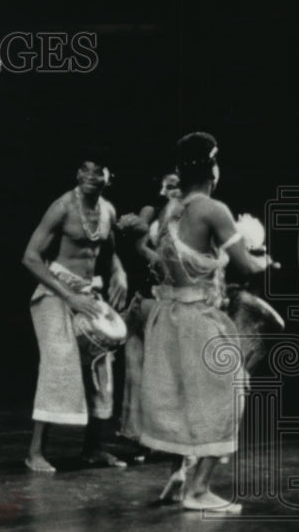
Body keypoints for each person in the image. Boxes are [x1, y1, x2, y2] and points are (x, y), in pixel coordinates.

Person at [138, 132, 273, 512]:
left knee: (181, 400)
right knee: (230, 394)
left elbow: (160, 264)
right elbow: (246, 266)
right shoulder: (213, 210)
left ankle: (177, 478)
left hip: (169, 321)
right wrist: (262, 259)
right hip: (199, 320)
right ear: (213, 167)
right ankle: (198, 490)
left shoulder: (171, 211)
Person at [22, 158, 129, 473]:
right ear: (77, 172)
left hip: (86, 293)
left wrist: (119, 272)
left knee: (100, 364)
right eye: (85, 169)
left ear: (110, 176)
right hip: (55, 293)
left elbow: (110, 252)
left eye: (99, 171)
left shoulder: (108, 211)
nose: (90, 176)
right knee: (59, 360)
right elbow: (30, 257)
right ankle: (35, 453)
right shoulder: (63, 207)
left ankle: (92, 449)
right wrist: (68, 295)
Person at [116, 172, 181, 456]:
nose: (169, 189)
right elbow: (134, 243)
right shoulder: (151, 211)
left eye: (176, 184)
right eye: (166, 184)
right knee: (135, 370)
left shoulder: (186, 215)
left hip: (167, 300)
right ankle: (136, 435)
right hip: (143, 298)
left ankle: (161, 437)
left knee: (161, 373)